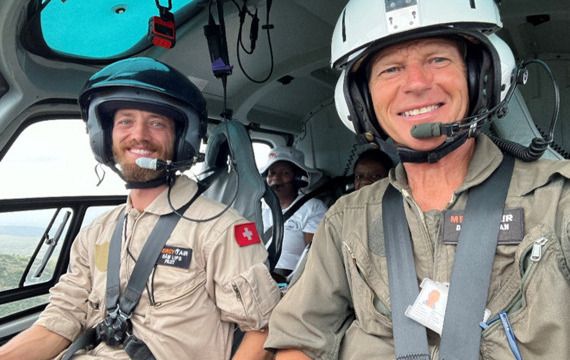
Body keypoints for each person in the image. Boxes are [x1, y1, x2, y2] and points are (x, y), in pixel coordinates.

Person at [266, 0, 570, 359]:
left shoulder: (557, 200)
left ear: (480, 77)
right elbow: (299, 340)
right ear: (361, 102)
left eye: (438, 59)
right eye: (391, 69)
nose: (416, 83)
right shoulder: (346, 219)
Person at [0, 57, 281, 360]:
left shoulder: (220, 230)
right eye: (125, 121)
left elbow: (261, 330)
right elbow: (60, 320)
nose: (140, 135)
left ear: (181, 139)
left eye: (157, 123)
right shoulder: (96, 233)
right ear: (104, 135)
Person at [260, 146, 327, 281]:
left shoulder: (313, 208)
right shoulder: (258, 206)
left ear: (298, 178)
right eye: (271, 173)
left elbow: (314, 256)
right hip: (257, 275)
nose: (276, 179)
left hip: (291, 281)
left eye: (285, 173)